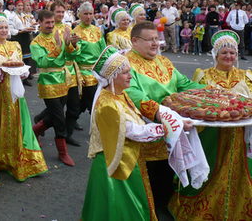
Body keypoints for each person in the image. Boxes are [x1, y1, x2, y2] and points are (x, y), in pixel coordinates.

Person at [169, 30, 252, 220]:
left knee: (238, 168)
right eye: (224, 53)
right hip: (210, 133)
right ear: (216, 54)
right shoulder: (203, 75)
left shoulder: (247, 75)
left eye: (232, 53)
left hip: (239, 132)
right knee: (209, 169)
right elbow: (193, 100)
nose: (228, 56)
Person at [125, 21, 203, 218]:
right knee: (151, 182)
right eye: (150, 40)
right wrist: (162, 114)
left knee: (168, 178)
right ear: (135, 41)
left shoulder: (164, 62)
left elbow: (185, 85)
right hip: (148, 133)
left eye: (157, 39)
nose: (155, 44)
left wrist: (214, 94)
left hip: (174, 130)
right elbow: (133, 94)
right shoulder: (127, 64)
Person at [82, 46, 165, 220]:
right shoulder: (107, 104)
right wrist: (165, 129)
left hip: (125, 155)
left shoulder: (120, 94)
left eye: (130, 71)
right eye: (125, 73)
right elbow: (133, 131)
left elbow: (138, 119)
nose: (130, 76)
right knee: (118, 205)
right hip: (113, 161)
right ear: (112, 77)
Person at [0, 12, 47, 181]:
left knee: (17, 122)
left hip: (14, 91)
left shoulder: (15, 45)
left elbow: (21, 66)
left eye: (6, 27)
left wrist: (22, 70)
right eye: (0, 27)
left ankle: (17, 158)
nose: (3, 30)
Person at [31, 10, 80, 166]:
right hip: (48, 83)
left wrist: (71, 44)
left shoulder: (57, 35)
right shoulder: (36, 43)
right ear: (39, 22)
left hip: (63, 80)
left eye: (52, 22)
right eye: (47, 23)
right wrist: (58, 47)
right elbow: (42, 62)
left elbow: (71, 57)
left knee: (54, 115)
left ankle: (35, 130)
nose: (51, 25)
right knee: (59, 118)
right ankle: (62, 153)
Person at [72, 2, 106, 120]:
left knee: (84, 103)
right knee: (92, 101)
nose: (88, 17)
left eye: (90, 14)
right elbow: (75, 53)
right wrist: (74, 44)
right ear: (80, 15)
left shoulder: (97, 30)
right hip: (84, 72)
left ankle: (70, 121)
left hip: (98, 71)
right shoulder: (76, 31)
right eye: (85, 14)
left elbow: (104, 50)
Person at [8, 0, 34, 86]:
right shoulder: (12, 16)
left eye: (21, 6)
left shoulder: (23, 15)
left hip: (25, 37)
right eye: (19, 5)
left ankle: (26, 77)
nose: (20, 7)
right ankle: (18, 78)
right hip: (18, 38)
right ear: (15, 6)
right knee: (19, 58)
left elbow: (27, 24)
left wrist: (29, 28)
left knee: (27, 58)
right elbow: (11, 29)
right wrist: (20, 31)